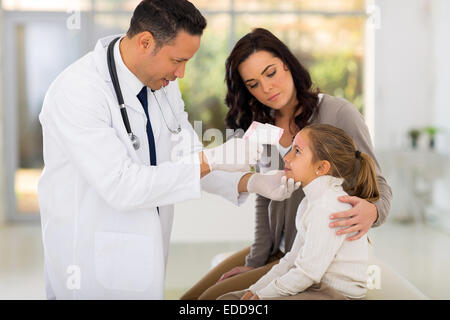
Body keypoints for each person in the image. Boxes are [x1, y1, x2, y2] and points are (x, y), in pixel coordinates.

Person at [38, 2, 298, 300]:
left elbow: (184, 154)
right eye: (178, 60)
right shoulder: (78, 92)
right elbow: (121, 186)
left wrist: (250, 182)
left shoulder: (162, 84)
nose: (182, 73)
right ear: (145, 42)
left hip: (144, 254)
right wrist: (213, 158)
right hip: (88, 266)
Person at [180, 28, 392, 300]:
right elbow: (264, 199)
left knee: (213, 301)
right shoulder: (262, 125)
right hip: (280, 252)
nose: (266, 88)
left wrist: (372, 212)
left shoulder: (338, 113)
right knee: (191, 299)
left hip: (317, 254)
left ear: (288, 65)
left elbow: (380, 185)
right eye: (253, 83)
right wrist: (255, 261)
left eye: (270, 73)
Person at [219, 124, 380, 300]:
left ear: (321, 168)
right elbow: (291, 260)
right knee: (228, 300)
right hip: (313, 287)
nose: (286, 158)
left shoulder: (328, 207)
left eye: (297, 151)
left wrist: (261, 296)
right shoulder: (309, 202)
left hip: (334, 295)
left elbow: (307, 273)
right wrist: (255, 290)